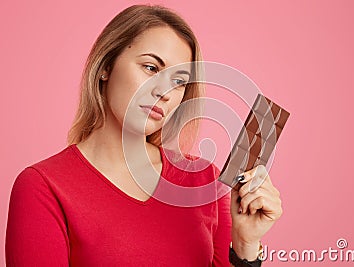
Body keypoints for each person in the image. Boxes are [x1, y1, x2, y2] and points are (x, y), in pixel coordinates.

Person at [6, 5, 282, 267]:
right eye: (150, 68)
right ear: (105, 66)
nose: (164, 91)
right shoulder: (43, 187)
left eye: (178, 82)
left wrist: (246, 244)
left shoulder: (204, 180)